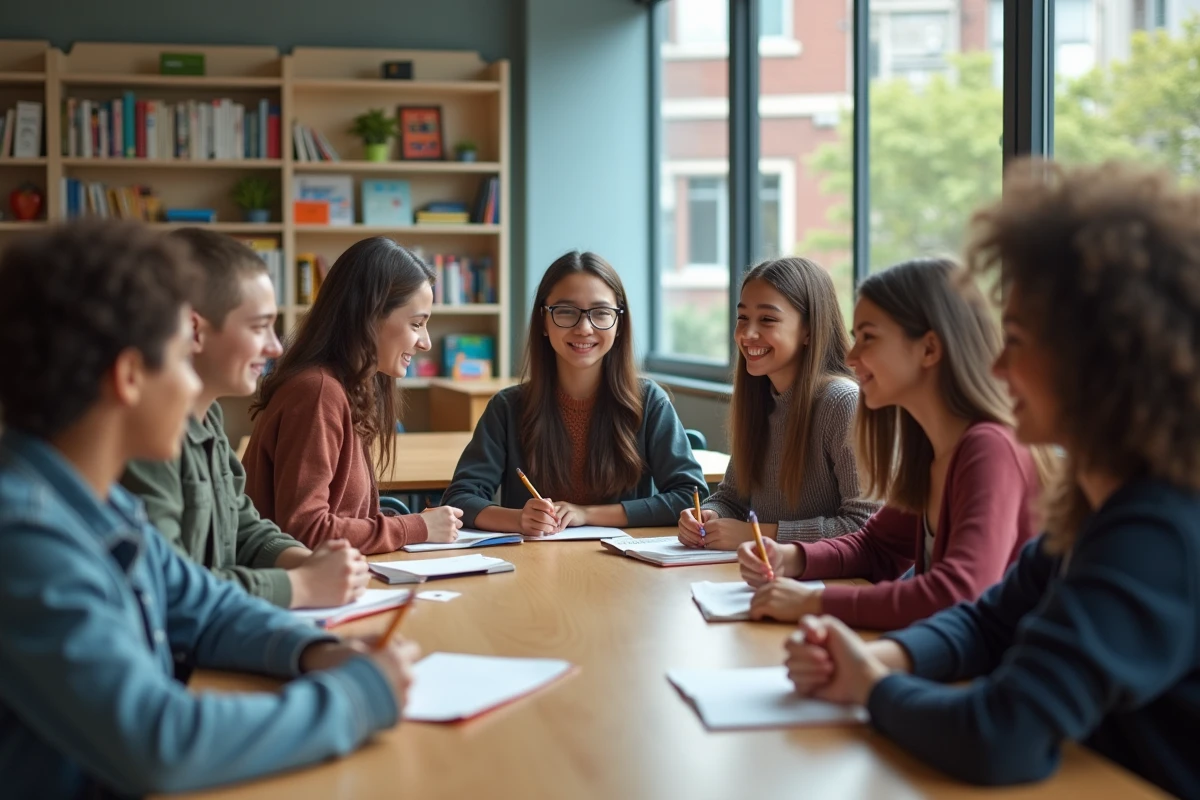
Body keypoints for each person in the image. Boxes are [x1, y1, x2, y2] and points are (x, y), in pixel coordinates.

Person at [781, 160, 1200, 797]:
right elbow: (985, 621)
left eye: (1020, 341)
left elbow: (1003, 733)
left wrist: (873, 686)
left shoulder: (1157, 529)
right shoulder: (1089, 507)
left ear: (1102, 361)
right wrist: (879, 658)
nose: (999, 367)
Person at [0, 221, 418, 798]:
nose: (191, 382)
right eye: (179, 355)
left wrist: (319, 650)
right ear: (128, 377)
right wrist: (357, 698)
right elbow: (158, 742)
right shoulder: (25, 540)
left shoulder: (100, 508)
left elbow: (206, 606)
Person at [740, 258, 1043, 629]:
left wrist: (816, 601)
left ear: (929, 349)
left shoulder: (989, 447)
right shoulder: (929, 447)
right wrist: (793, 557)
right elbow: (877, 547)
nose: (851, 357)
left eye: (868, 337)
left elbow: (958, 593)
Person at [121, 228, 369, 608]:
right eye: (258, 327)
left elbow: (241, 526)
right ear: (193, 330)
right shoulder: (148, 437)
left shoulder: (210, 417)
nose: (274, 347)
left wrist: (309, 563)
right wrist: (300, 586)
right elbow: (169, 586)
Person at [443, 250, 706, 535]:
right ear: (544, 320)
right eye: (566, 312)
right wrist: (518, 519)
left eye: (601, 313)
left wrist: (587, 514)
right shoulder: (508, 408)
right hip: (534, 569)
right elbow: (459, 499)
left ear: (618, 323)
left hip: (625, 569)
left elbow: (690, 497)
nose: (584, 328)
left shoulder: (648, 402)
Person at [243, 237, 463, 554]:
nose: (425, 342)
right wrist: (416, 527)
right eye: (416, 324)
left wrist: (411, 526)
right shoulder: (318, 391)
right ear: (369, 317)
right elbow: (306, 530)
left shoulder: (349, 388)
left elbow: (342, 518)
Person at [677, 258, 878, 551]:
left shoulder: (842, 401)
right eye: (742, 318)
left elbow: (864, 526)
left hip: (836, 585)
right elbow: (732, 498)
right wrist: (709, 515)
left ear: (809, 330)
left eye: (768, 320)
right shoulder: (761, 397)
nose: (747, 334)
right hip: (768, 577)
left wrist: (757, 535)